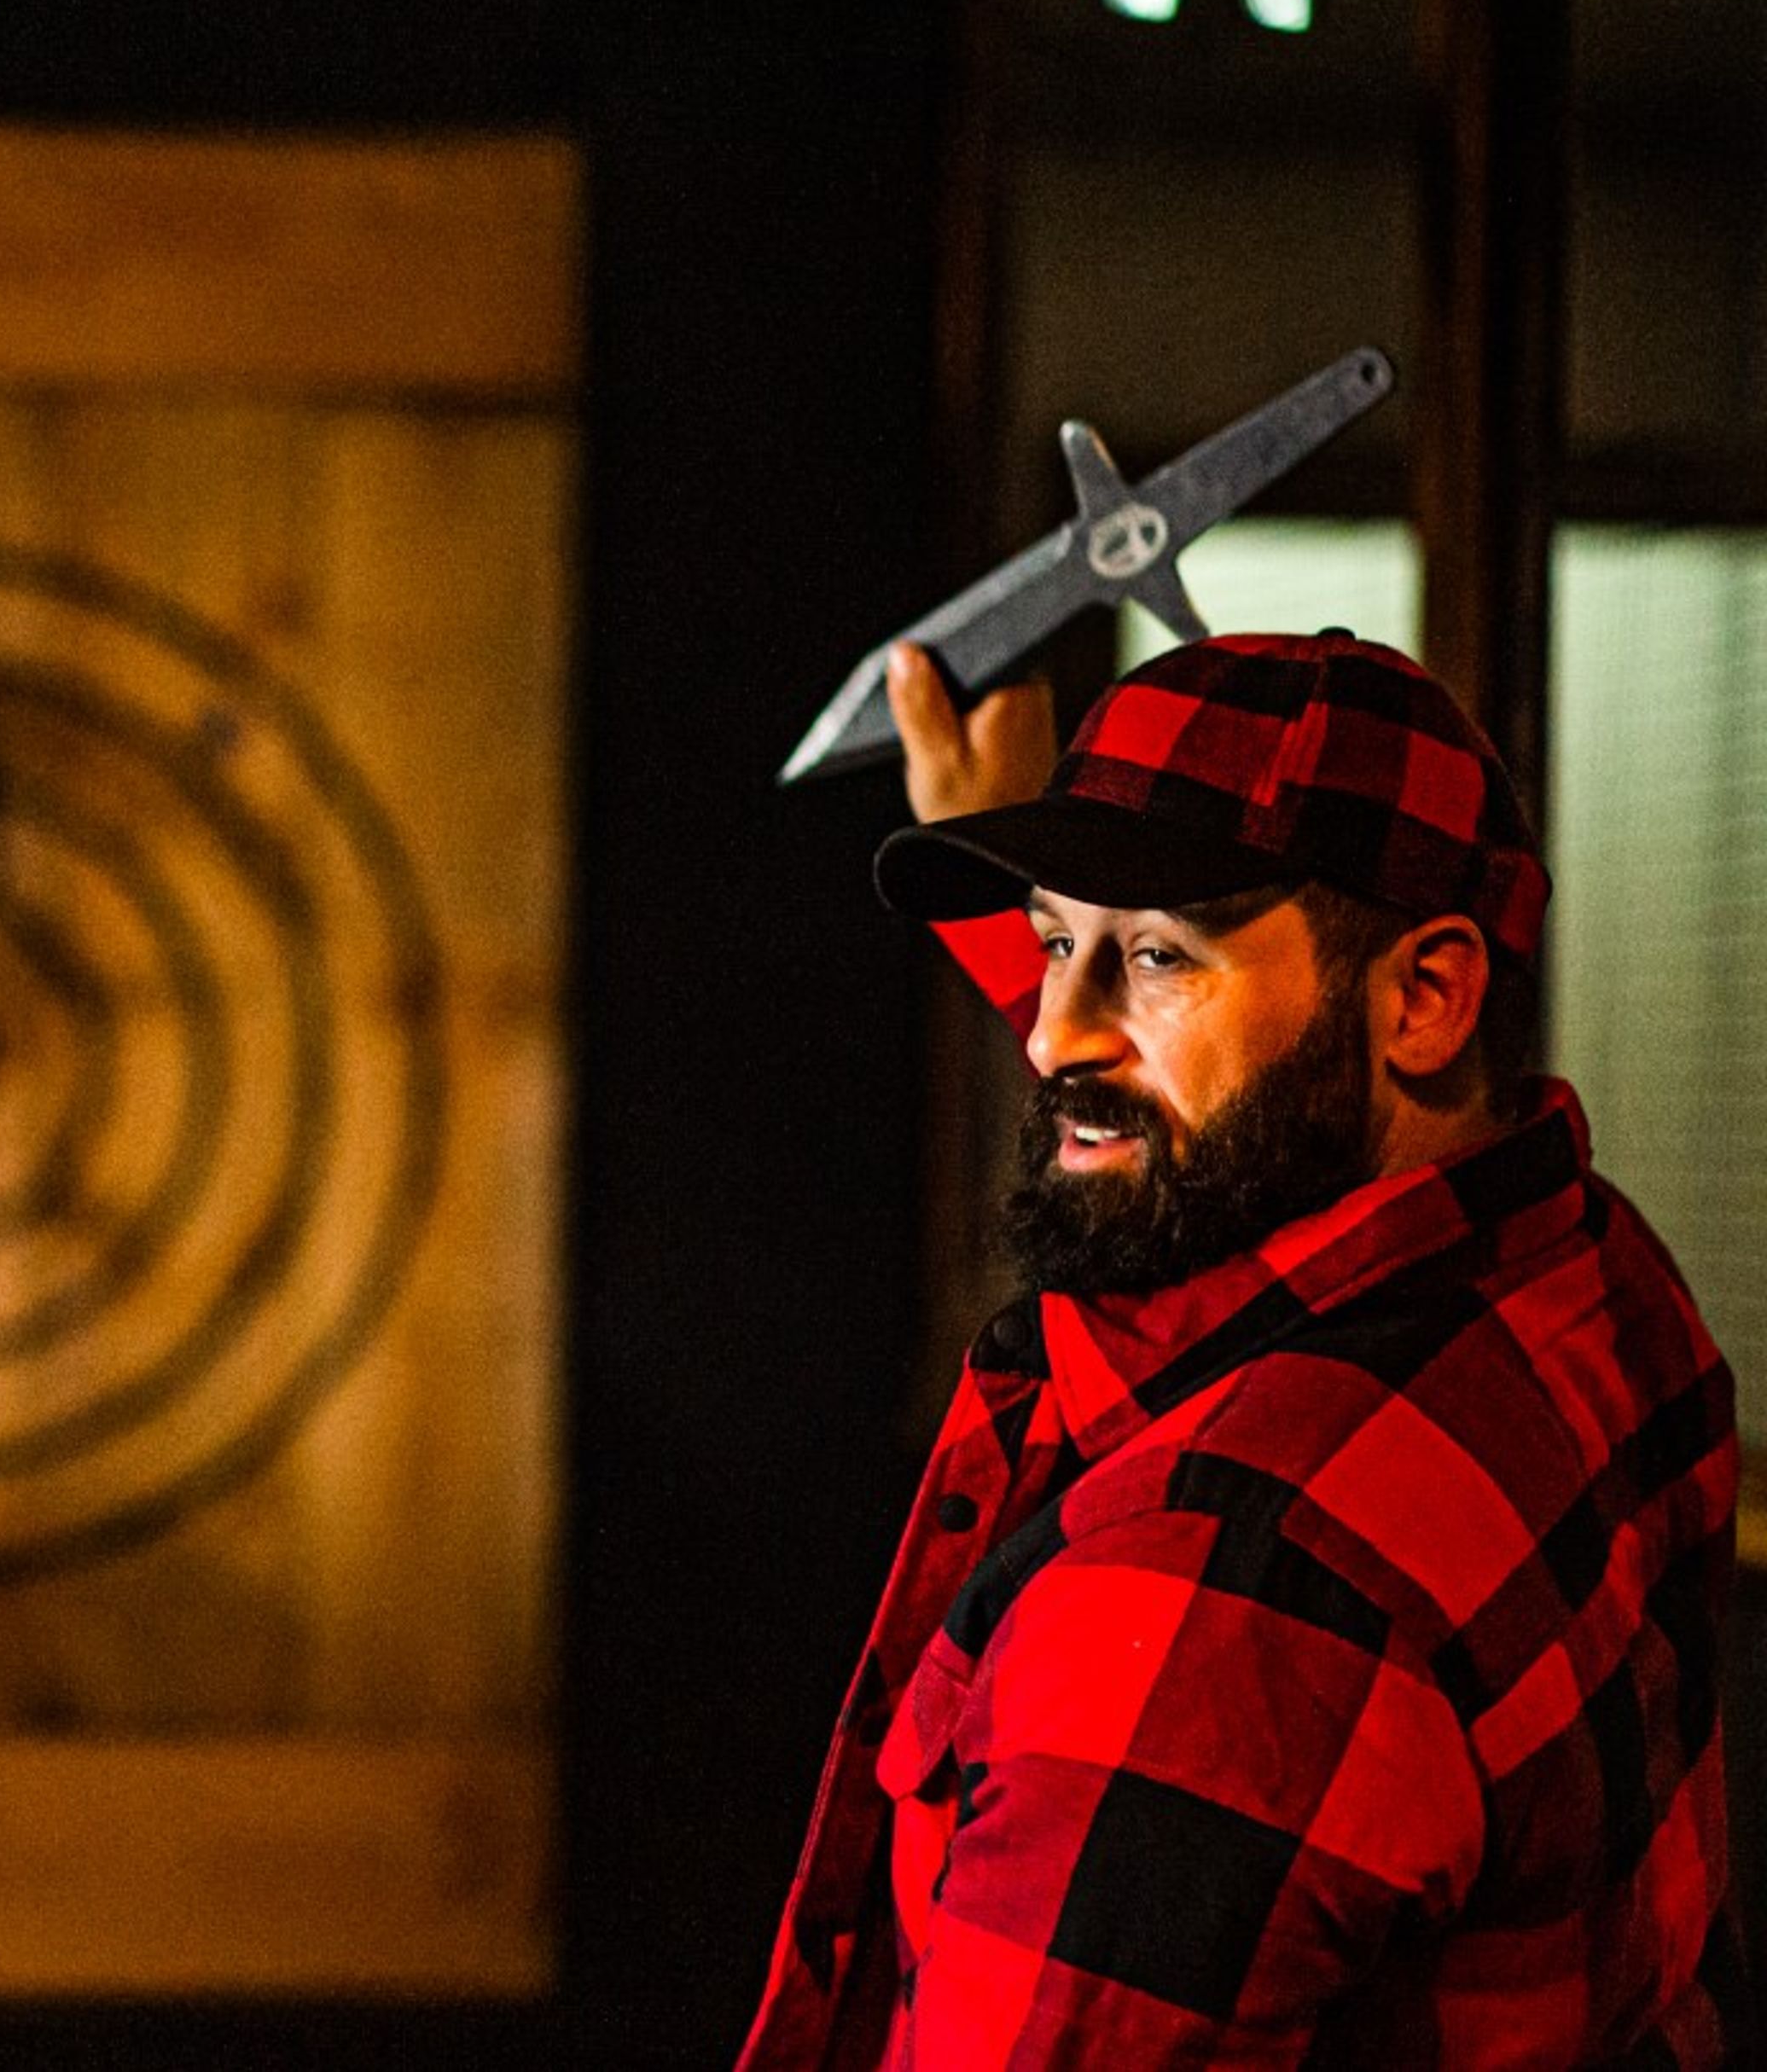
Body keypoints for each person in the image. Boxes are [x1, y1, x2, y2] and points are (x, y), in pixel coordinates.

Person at [739, 628, 1747, 2067]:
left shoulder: (1213, 1609)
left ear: (1425, 998)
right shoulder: (1586, 1268)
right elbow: (1243, 1142)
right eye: (1049, 942)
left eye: (1154, 954)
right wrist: (1098, 936)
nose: (1050, 1036)